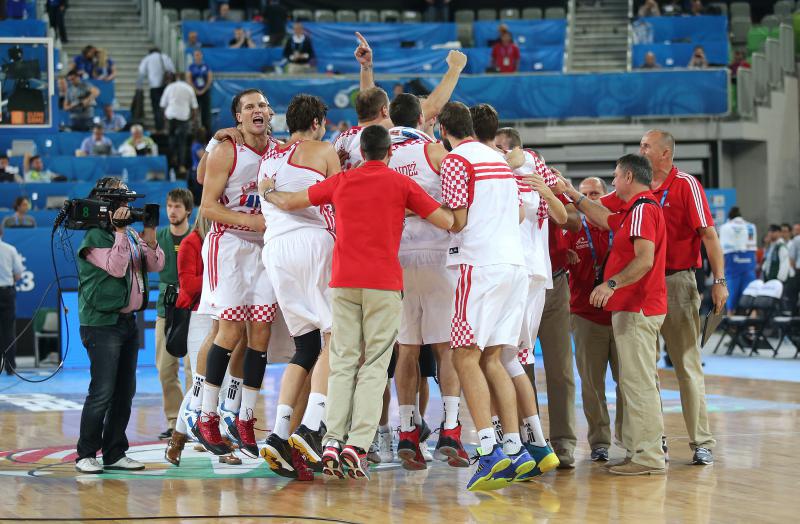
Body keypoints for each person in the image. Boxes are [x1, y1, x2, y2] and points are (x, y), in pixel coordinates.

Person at [259, 124, 454, 480]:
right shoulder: (402, 184)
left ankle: (332, 440)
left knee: (342, 362)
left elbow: (290, 202)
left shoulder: (342, 181)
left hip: (343, 283)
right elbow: (447, 220)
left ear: (361, 152)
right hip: (383, 285)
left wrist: (268, 192)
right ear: (390, 152)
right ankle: (358, 445)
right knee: (375, 366)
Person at [436, 102, 535, 491]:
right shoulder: (498, 159)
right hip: (514, 267)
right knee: (493, 358)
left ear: (443, 130)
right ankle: (514, 448)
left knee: (463, 356)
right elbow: (519, 214)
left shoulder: (456, 160)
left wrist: (419, 208)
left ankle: (488, 448)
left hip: (480, 266)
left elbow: (457, 220)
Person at [561, 154, 668, 476]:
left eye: (616, 176)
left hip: (637, 307)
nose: (613, 181)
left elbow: (644, 260)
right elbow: (604, 219)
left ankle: (648, 456)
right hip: (635, 308)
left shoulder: (642, 210)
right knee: (635, 383)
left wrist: (611, 283)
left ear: (629, 177)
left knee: (638, 385)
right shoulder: (636, 210)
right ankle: (637, 450)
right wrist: (572, 193)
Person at [257, 94, 340, 478]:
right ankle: (311, 426)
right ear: (318, 122)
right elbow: (340, 200)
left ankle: (278, 433)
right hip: (312, 243)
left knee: (305, 346)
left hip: (275, 251)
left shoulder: (268, 159)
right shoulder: (324, 150)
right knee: (336, 336)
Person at [194, 89, 279, 460]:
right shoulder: (227, 149)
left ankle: (244, 418)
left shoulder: (279, 151)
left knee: (261, 335)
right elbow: (207, 207)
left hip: (265, 249)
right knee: (228, 331)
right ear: (238, 117)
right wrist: (250, 221)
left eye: (262, 104)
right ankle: (206, 416)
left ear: (270, 113)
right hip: (228, 244)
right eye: (249, 107)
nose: (257, 110)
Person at [387, 93, 469, 471]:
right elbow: (457, 206)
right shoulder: (435, 151)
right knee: (445, 348)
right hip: (438, 253)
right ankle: (450, 428)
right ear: (422, 119)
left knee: (406, 349)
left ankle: (406, 429)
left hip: (397, 257)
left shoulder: (380, 152)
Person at [636, 129, 725, 465]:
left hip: (677, 282)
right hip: (641, 284)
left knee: (687, 365)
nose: (641, 150)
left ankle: (701, 441)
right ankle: (654, 439)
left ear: (665, 153)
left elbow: (709, 236)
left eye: (646, 146)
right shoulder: (637, 185)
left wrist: (719, 280)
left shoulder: (686, 184)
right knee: (645, 368)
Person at [74, 177, 165, 474]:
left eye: (127, 200)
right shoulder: (94, 237)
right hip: (101, 323)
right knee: (102, 390)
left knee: (125, 391)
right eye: (122, 201)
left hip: (126, 322)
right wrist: (120, 232)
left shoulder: (132, 235)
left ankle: (114, 452)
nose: (127, 206)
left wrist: (150, 235)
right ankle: (86, 454)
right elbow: (116, 267)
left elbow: (156, 265)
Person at [564, 177, 622, 462]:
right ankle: (599, 442)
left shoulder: (618, 225)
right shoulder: (572, 228)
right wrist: (563, 254)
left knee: (629, 382)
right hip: (585, 316)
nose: (589, 198)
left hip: (621, 314)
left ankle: (630, 437)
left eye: (595, 193)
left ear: (606, 195)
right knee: (591, 385)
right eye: (584, 194)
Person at [155, 188, 194, 441]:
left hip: (194, 309)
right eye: (169, 206)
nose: (172, 211)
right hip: (166, 309)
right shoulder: (159, 236)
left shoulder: (197, 235)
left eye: (177, 206)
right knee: (165, 369)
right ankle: (173, 420)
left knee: (193, 370)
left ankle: (190, 420)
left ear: (188, 210)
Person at [718, 207, 757, 313]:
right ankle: (752, 320)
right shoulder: (751, 226)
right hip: (749, 263)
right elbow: (753, 250)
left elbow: (722, 252)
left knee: (731, 299)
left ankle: (731, 319)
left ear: (729, 217)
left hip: (733, 264)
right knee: (751, 296)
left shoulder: (725, 227)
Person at [160, 73, 199, 176]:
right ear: (184, 78)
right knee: (182, 142)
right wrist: (193, 120)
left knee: (171, 139)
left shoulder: (169, 87)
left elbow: (162, 105)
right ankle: (181, 166)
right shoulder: (189, 88)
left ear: (176, 78)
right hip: (183, 117)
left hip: (171, 116)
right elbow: (195, 107)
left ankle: (172, 160)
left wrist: (164, 120)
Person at [0, 228, 24, 375]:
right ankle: (10, 367)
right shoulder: (10, 249)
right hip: (6, 292)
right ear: (1, 233)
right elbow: (18, 274)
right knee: (8, 330)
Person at [137, 48, 176, 132]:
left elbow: (141, 72)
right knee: (166, 105)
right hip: (165, 85)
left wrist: (139, 87)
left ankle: (159, 126)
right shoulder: (165, 57)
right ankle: (168, 124)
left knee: (156, 107)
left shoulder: (147, 58)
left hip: (154, 86)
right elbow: (172, 70)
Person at [187, 50, 213, 133]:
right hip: (195, 93)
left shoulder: (206, 66)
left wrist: (204, 90)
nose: (197, 56)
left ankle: (207, 133)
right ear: (194, 56)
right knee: (194, 112)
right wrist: (195, 90)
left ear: (201, 55)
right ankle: (194, 132)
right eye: (196, 55)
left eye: (199, 54)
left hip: (205, 92)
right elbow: (189, 79)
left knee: (206, 113)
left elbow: (209, 79)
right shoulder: (191, 67)